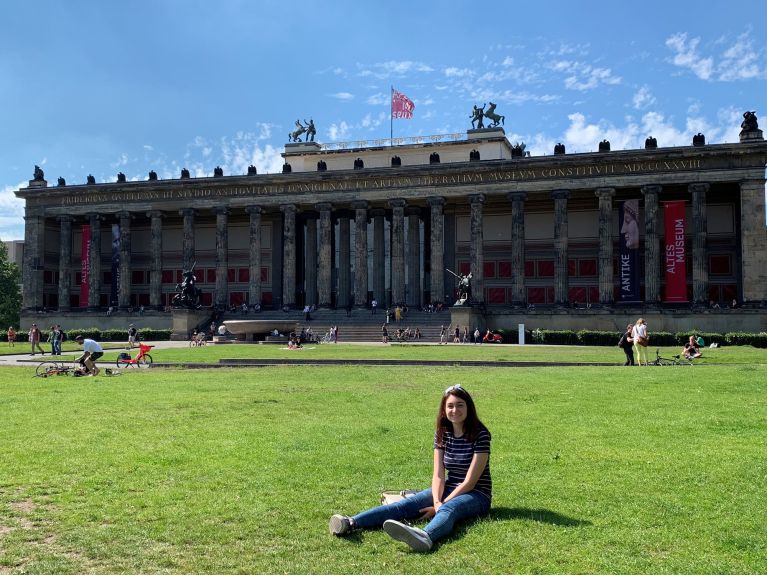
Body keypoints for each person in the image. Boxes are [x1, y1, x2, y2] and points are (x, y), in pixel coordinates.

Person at [329, 384, 492, 552]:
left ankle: (425, 536)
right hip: (449, 486)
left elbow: (470, 482)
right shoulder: (443, 432)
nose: (455, 410)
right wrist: (437, 502)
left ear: (468, 408)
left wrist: (441, 506)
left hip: (477, 494)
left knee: (450, 508)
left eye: (460, 405)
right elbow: (438, 475)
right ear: (444, 409)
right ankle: (350, 522)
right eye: (450, 405)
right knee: (407, 505)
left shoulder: (480, 434)